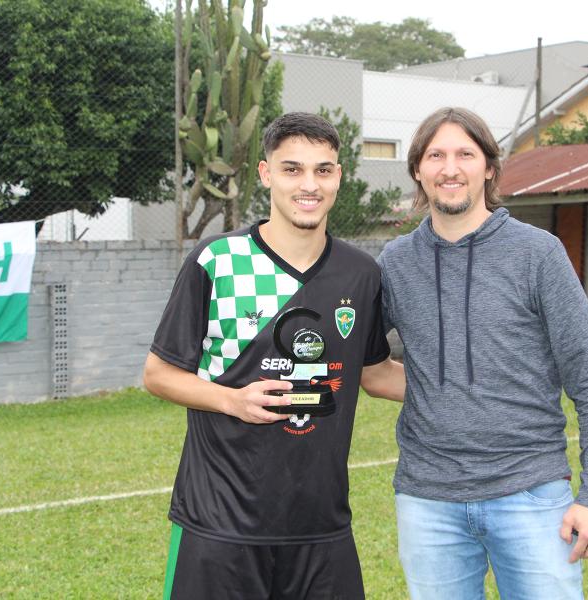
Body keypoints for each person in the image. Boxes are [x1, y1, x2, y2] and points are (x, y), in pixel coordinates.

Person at [143, 112, 404, 600]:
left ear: (339, 177)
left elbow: (376, 373)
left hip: (321, 529)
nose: (309, 185)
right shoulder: (217, 260)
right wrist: (232, 401)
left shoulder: (361, 274)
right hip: (220, 523)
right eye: (292, 169)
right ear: (266, 175)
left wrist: (475, 390)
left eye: (323, 170)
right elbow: (159, 374)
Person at [375, 107, 588, 599]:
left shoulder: (538, 253)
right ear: (418, 170)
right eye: (435, 155)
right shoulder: (395, 263)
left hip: (532, 495)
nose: (450, 168)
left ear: (488, 167)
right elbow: (355, 360)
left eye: (465, 153)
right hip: (428, 501)